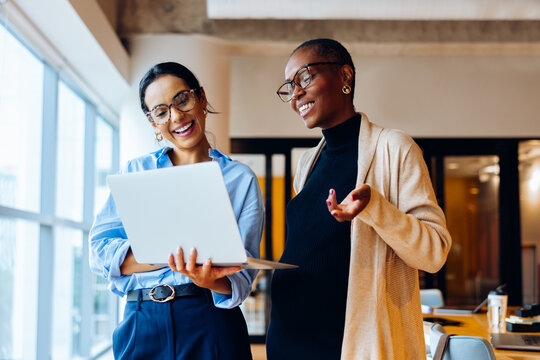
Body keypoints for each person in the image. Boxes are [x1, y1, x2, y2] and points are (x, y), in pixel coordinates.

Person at [266, 38, 452, 360]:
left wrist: (375, 208)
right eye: (289, 87)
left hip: (345, 346)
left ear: (345, 77)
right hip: (288, 338)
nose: (295, 95)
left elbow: (433, 252)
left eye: (305, 78)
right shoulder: (307, 163)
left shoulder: (394, 148)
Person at [89, 62, 264, 360]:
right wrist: (168, 255)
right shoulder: (135, 172)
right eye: (161, 111)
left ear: (202, 98)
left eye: (183, 99)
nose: (177, 116)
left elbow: (241, 279)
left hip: (209, 318)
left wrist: (204, 278)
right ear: (153, 122)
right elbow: (99, 252)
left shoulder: (240, 179)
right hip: (141, 319)